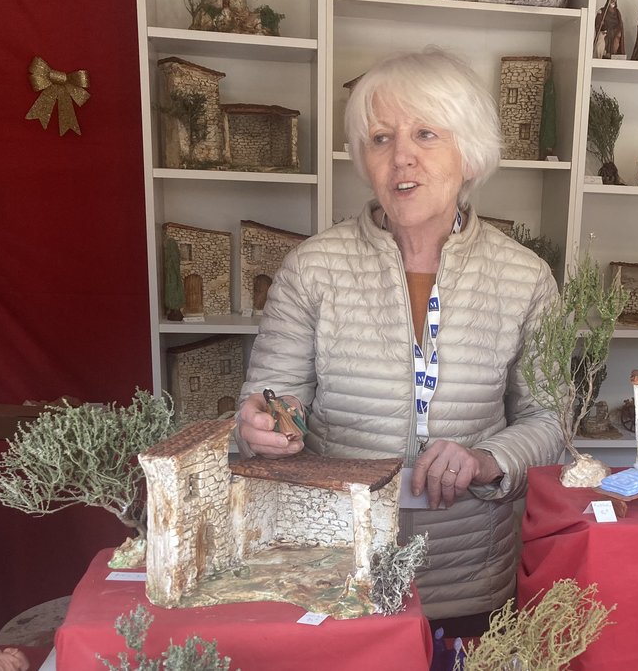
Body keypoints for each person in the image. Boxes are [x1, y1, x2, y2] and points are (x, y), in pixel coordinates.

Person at [233, 48, 564, 622]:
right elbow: (275, 396)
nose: (401, 157)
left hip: (469, 574)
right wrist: (263, 426)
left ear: (471, 151)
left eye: (426, 134)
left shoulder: (523, 276)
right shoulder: (314, 267)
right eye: (381, 138)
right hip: (339, 569)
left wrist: (486, 460)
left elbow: (551, 419)